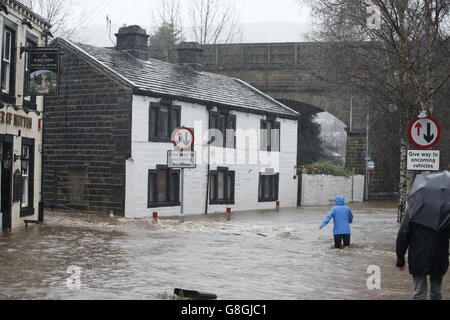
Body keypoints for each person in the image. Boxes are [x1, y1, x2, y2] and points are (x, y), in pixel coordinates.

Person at [396, 212, 449, 300]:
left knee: (419, 293)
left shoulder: (414, 208)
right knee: (436, 292)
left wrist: (400, 260)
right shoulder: (445, 210)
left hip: (418, 257)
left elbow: (403, 235)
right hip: (439, 256)